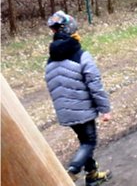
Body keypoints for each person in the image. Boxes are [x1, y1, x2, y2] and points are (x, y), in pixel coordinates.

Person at [44, 10, 112, 186]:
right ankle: (71, 172)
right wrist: (105, 109)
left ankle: (92, 175)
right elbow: (95, 84)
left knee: (84, 141)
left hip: (66, 113)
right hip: (83, 110)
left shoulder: (50, 61)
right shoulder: (81, 55)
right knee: (89, 141)